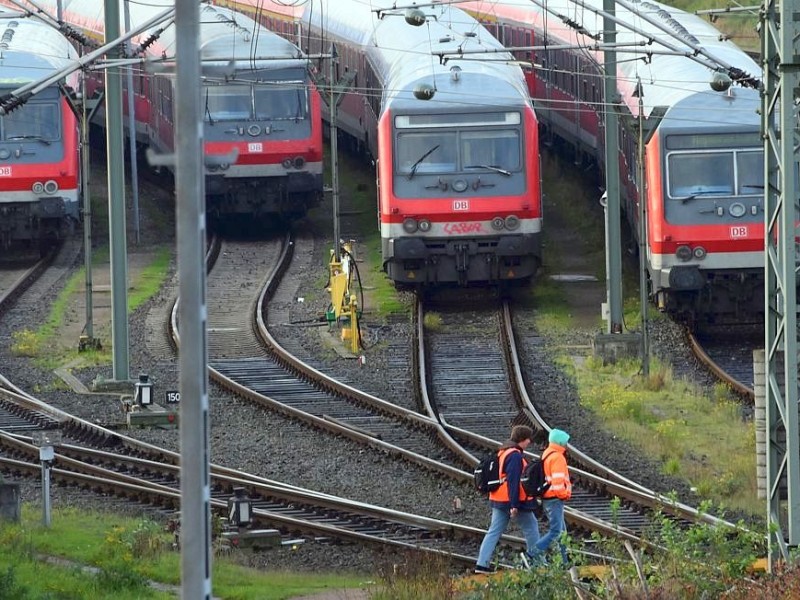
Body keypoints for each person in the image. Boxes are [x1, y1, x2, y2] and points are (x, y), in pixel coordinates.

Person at [474, 425, 540, 574]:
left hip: (498, 498)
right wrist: (514, 504)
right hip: (513, 500)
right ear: (523, 439)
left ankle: (481, 564)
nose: (530, 441)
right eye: (528, 438)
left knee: (494, 531)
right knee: (531, 528)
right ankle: (536, 563)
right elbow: (513, 480)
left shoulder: (503, 451)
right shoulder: (515, 455)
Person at [528, 428, 572, 566]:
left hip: (548, 497)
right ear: (560, 442)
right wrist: (564, 494)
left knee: (562, 533)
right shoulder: (558, 457)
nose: (567, 445)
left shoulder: (548, 453)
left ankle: (565, 562)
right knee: (556, 531)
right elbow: (558, 481)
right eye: (565, 442)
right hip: (554, 498)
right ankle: (532, 552)